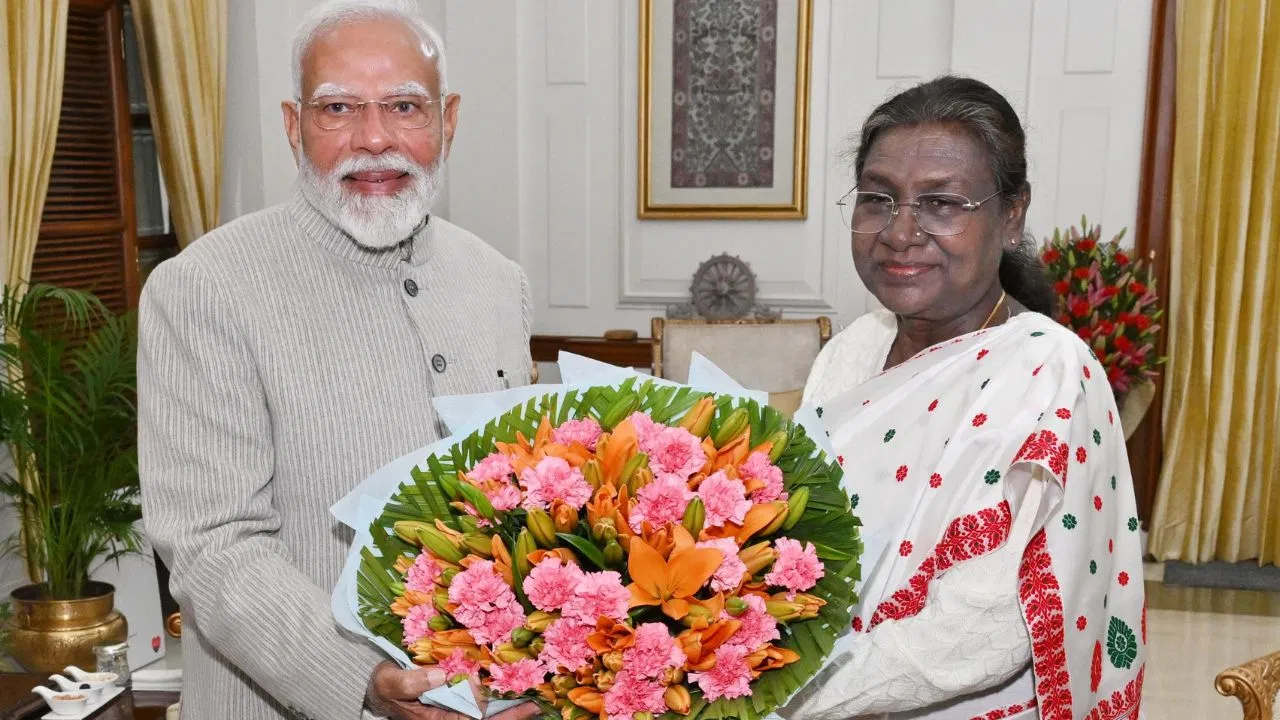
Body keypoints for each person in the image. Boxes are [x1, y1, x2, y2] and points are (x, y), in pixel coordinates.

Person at [137, 2, 538, 719]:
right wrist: (361, 679)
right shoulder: (202, 288)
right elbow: (212, 545)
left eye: (405, 107)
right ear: (294, 126)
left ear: (447, 119)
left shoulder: (498, 281)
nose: (374, 138)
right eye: (338, 108)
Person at [782, 76, 1147, 720]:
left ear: (1011, 216)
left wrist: (784, 694)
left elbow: (988, 625)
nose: (900, 232)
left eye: (942, 203)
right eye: (878, 199)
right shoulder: (852, 350)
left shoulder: (1049, 371)